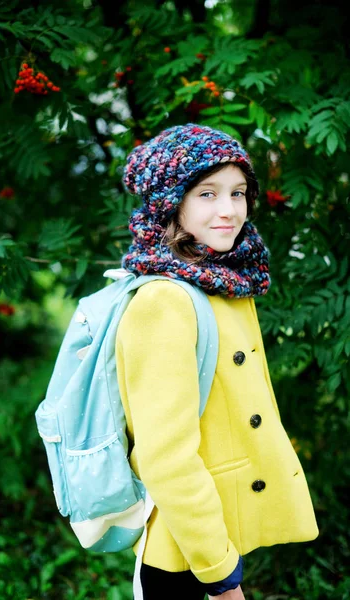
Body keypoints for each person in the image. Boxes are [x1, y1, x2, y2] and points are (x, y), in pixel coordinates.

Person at [114, 123, 319, 600]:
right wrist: (223, 578)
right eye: (207, 193)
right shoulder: (164, 301)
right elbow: (167, 460)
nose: (229, 210)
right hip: (188, 552)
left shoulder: (224, 283)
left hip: (222, 524)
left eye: (239, 192)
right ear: (172, 204)